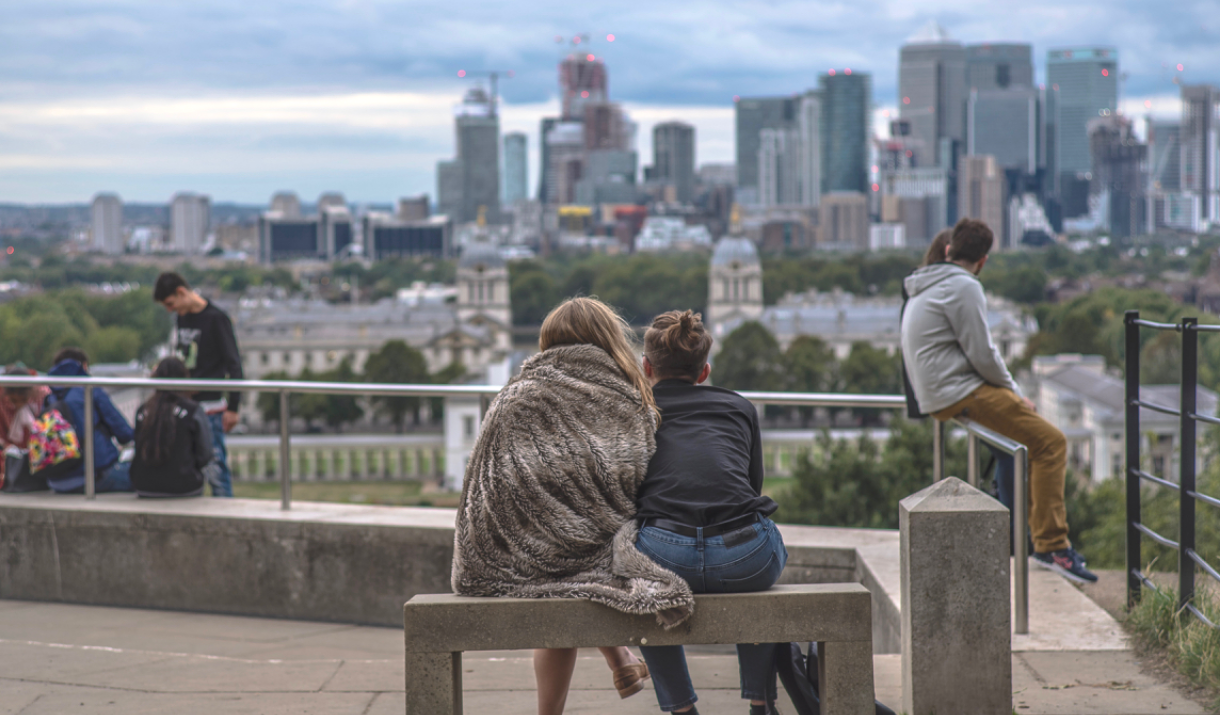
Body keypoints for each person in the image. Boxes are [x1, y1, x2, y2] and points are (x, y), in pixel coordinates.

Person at [452, 297, 693, 715]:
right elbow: (639, 480)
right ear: (609, 340)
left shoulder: (517, 396)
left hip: (526, 555)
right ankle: (619, 658)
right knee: (583, 564)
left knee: (558, 570)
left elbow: (484, 484)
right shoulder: (629, 398)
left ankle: (574, 694)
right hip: (600, 548)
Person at [900, 218, 1096, 583]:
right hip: (955, 390)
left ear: (948, 249)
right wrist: (1018, 395)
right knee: (1051, 442)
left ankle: (1027, 542)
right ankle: (1052, 548)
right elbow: (984, 354)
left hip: (938, 391)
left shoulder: (926, 283)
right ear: (984, 260)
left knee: (1016, 448)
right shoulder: (963, 286)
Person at [634, 309, 787, 715]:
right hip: (745, 557)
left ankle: (681, 708)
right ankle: (760, 700)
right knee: (767, 539)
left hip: (666, 557)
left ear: (646, 367)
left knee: (638, 582)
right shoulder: (739, 407)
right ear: (705, 372)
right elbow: (751, 489)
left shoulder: (636, 412)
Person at [154, 272, 243, 497]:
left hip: (210, 405)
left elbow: (234, 364)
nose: (170, 310)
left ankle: (225, 510)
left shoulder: (216, 319)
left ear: (181, 292)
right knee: (187, 463)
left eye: (170, 304)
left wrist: (233, 408)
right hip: (185, 403)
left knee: (215, 465)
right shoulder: (182, 318)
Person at [44, 348, 135, 494]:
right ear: (84, 366)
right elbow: (124, 434)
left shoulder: (49, 397)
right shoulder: (89, 389)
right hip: (93, 477)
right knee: (146, 476)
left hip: (55, 481)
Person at [131, 357, 217, 498]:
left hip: (144, 486)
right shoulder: (192, 410)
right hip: (184, 486)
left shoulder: (142, 411)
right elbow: (205, 454)